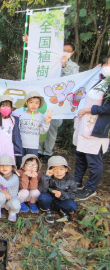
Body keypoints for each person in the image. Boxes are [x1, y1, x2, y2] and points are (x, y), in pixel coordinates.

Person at [73, 55, 110, 200]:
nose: (107, 66)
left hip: (97, 127)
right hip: (85, 124)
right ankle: (77, 181)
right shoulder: (100, 81)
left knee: (93, 159)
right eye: (106, 63)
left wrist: (88, 110)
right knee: (80, 154)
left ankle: (90, 188)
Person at [39, 43, 80, 163]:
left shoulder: (73, 66)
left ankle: (48, 152)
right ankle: (39, 150)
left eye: (68, 51)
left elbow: (74, 80)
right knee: (41, 124)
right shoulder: (49, 62)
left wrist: (64, 65)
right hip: (45, 99)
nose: (65, 52)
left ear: (72, 53)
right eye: (63, 50)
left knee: (52, 128)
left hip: (59, 103)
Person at [38, 156, 77, 223]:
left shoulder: (70, 180)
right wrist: (46, 177)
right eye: (55, 169)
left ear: (66, 169)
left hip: (61, 201)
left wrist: (62, 194)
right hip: (49, 200)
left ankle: (63, 210)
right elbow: (42, 190)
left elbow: (73, 195)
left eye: (61, 169)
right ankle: (47, 210)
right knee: (43, 197)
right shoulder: (47, 177)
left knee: (72, 205)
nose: (58, 172)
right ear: (50, 170)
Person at [19, 91, 52, 157]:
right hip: (21, 145)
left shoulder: (41, 116)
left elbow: (42, 131)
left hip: (33, 146)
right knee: (20, 164)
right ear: (26, 103)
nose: (34, 105)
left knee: (31, 163)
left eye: (37, 103)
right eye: (31, 102)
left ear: (39, 105)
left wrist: (46, 122)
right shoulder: (21, 115)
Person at [0, 155, 21, 222]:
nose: (4, 167)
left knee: (16, 204)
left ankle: (12, 212)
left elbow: (6, 184)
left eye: (7, 165)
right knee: (0, 195)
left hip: (10, 200)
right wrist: (3, 191)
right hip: (0, 200)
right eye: (1, 165)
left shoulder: (15, 177)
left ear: (12, 167)